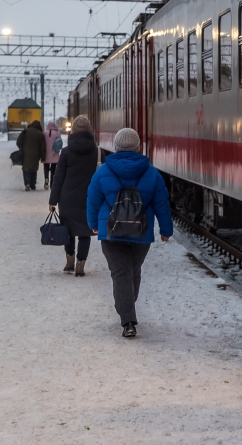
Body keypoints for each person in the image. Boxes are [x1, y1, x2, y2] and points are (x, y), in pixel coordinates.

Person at [86, 128, 173, 338]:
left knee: (121, 274)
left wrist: (92, 224)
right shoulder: (152, 172)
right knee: (132, 272)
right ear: (138, 147)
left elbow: (92, 200)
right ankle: (128, 315)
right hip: (141, 233)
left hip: (111, 232)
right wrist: (165, 230)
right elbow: (162, 204)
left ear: (116, 147)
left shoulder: (103, 171)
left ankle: (127, 318)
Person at [48, 116, 99, 277]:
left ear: (73, 131)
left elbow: (58, 177)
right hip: (88, 199)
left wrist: (53, 200)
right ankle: (80, 265)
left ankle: (69, 262)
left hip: (67, 198)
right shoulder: (96, 151)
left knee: (68, 231)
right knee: (85, 232)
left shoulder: (66, 152)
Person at [16, 120, 46, 192]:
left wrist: (22, 148)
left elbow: (18, 141)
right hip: (36, 154)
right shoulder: (40, 134)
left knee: (26, 168)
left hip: (25, 153)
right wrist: (43, 157)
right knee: (33, 169)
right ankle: (33, 185)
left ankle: (27, 184)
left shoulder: (26, 132)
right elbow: (43, 148)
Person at [43, 120, 63, 190]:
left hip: (46, 155)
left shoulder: (44, 133)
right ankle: (52, 183)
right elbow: (60, 143)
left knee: (46, 168)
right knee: (53, 170)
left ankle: (46, 179)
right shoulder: (57, 133)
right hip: (55, 155)